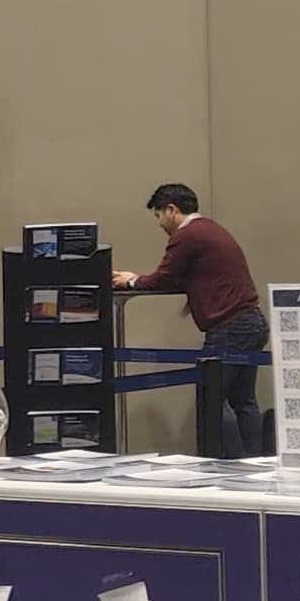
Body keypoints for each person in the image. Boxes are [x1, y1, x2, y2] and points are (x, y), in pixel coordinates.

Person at [113, 183, 267, 456]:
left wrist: (130, 280)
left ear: (171, 209)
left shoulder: (188, 236)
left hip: (229, 327)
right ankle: (254, 464)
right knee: (244, 401)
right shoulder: (211, 229)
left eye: (159, 215)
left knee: (213, 400)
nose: (160, 224)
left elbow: (163, 277)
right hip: (251, 322)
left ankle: (228, 466)